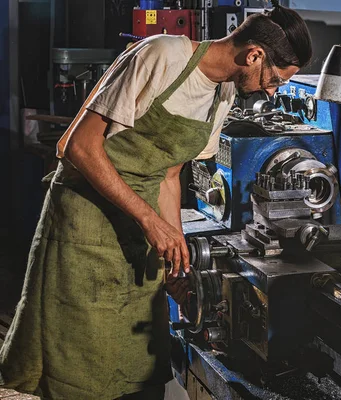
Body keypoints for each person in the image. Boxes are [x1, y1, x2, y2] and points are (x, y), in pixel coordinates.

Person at [0, 1, 312, 399]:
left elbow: (168, 177)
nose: (273, 91)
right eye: (275, 80)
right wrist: (151, 222)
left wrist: (176, 261)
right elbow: (76, 145)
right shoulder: (162, 55)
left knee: (138, 370)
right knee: (76, 364)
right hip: (84, 227)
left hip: (136, 228)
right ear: (254, 55)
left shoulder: (221, 97)